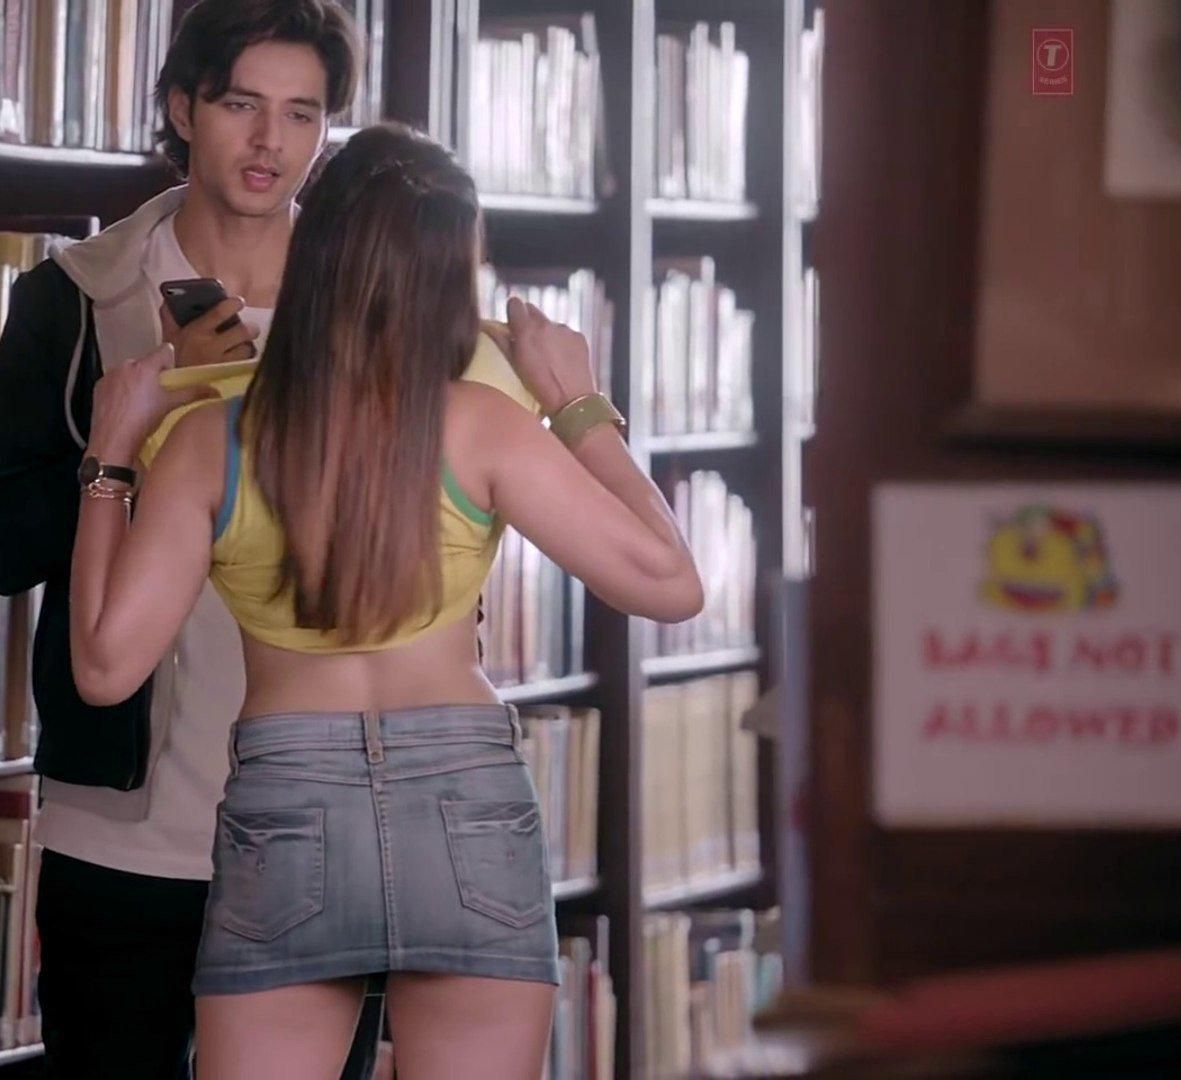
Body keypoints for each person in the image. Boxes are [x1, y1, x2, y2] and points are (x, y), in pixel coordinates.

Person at [67, 124, 704, 1080]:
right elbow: (672, 584)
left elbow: (103, 668)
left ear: (312, 251)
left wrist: (110, 456)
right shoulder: (483, 426)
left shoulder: (210, 440)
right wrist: (577, 404)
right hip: (466, 791)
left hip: (287, 799)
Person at [0, 3, 388, 1076]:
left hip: (326, 825)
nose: (270, 142)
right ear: (183, 109)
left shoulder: (371, 308)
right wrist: (139, 437)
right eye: (242, 104)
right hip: (121, 831)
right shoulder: (77, 298)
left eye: (302, 114)